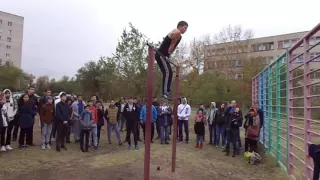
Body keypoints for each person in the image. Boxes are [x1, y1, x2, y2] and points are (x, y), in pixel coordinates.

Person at [155, 21, 188, 100]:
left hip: (163, 55)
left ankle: (167, 91)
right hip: (161, 55)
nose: (186, 30)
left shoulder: (179, 35)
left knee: (169, 72)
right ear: (180, 26)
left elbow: (173, 46)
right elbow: (172, 46)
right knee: (167, 72)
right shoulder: (177, 32)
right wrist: (168, 54)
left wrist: (168, 55)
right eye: (185, 28)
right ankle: (165, 92)